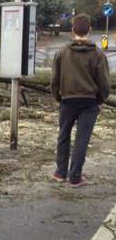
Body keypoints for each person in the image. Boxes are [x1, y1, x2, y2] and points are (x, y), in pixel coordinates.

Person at [50, 13, 110, 187]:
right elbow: (104, 83)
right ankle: (75, 176)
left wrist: (58, 97)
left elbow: (54, 79)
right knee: (82, 139)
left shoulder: (61, 52)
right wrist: (99, 99)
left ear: (72, 31)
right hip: (89, 102)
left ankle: (60, 173)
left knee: (63, 135)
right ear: (90, 30)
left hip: (67, 100)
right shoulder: (98, 54)